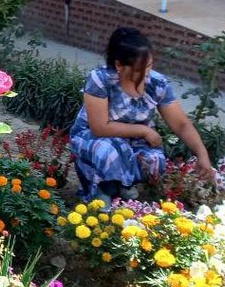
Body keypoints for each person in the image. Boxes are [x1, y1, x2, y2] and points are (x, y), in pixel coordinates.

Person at [70, 27, 214, 201]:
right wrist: (144, 130)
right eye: (139, 69)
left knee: (155, 161)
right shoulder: (101, 79)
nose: (146, 74)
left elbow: (181, 124)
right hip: (94, 137)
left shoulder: (156, 83)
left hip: (133, 141)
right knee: (108, 153)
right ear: (119, 65)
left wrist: (202, 154)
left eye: (149, 66)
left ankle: (123, 184)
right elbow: (100, 128)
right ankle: (101, 189)